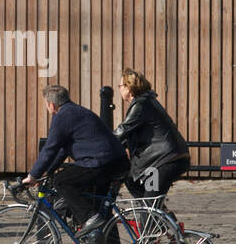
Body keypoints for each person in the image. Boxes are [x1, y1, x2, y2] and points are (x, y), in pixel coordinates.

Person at [22, 84, 128, 235]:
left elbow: (50, 148)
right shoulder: (76, 111)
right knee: (101, 212)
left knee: (62, 181)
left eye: (46, 104)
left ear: (51, 105)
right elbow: (62, 150)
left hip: (101, 163)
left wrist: (32, 176)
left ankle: (89, 218)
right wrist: (46, 172)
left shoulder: (62, 116)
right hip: (115, 161)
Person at [113, 69, 190, 199]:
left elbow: (122, 130)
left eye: (120, 86)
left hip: (162, 162)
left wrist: (102, 141)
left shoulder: (140, 105)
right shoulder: (147, 101)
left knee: (149, 204)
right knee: (131, 180)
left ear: (129, 88)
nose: (119, 89)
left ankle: (154, 216)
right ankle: (163, 216)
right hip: (168, 158)